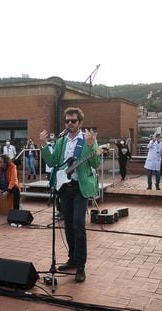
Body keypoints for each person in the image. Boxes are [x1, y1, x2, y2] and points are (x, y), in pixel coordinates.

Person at [39, 107, 100, 283]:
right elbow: (52, 162)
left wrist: (90, 146)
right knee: (67, 225)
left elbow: (95, 163)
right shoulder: (61, 141)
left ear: (80, 123)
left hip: (80, 187)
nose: (70, 124)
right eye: (67, 121)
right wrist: (43, 145)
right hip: (64, 187)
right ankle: (72, 258)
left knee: (78, 225)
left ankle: (81, 265)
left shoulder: (88, 140)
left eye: (73, 121)